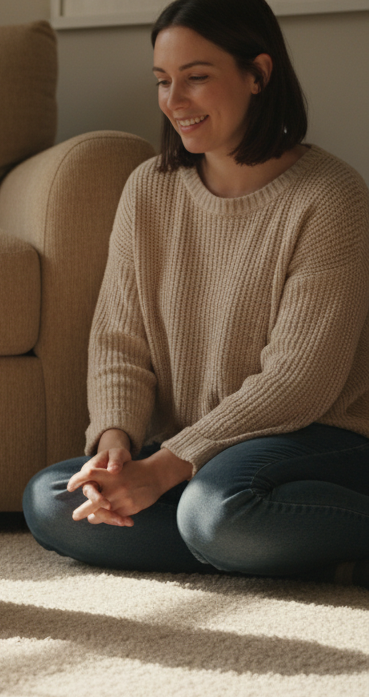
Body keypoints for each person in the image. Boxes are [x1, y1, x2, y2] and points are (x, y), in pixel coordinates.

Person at [22, 0, 369, 583]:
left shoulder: (331, 199)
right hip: (193, 450)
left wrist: (161, 471)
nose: (174, 101)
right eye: (163, 81)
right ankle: (295, 545)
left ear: (258, 74)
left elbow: (299, 382)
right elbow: (119, 339)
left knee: (216, 512)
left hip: (314, 436)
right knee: (54, 498)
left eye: (197, 78)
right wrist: (116, 442)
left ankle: (249, 534)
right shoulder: (149, 190)